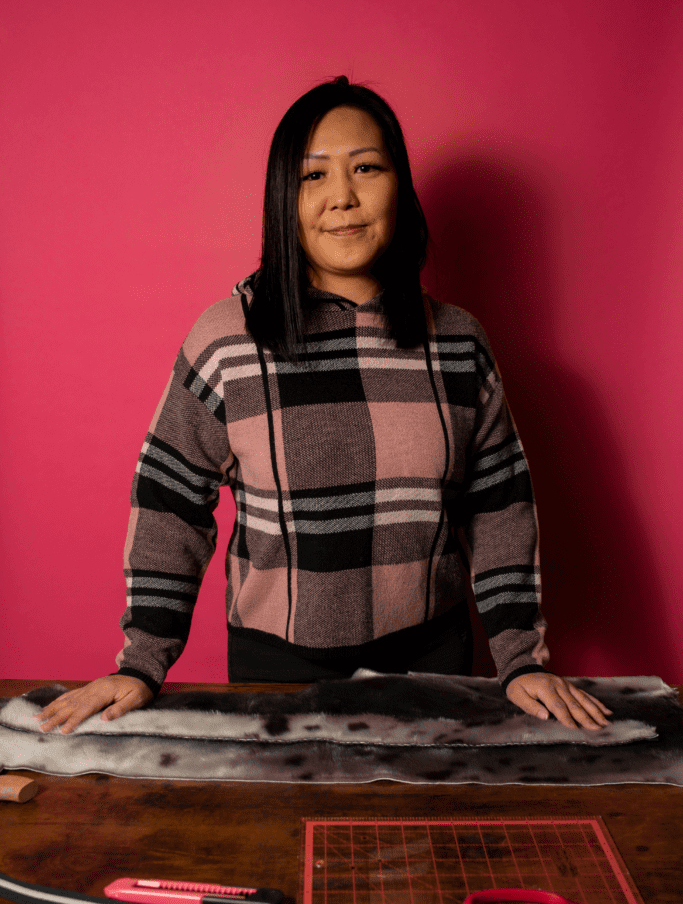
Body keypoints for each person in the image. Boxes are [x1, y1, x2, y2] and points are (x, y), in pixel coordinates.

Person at [37, 77, 611, 736]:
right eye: (313, 177)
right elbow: (169, 501)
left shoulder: (457, 341)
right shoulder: (228, 340)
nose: (342, 196)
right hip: (276, 668)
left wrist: (519, 661)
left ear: (401, 187)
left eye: (366, 167)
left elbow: (499, 506)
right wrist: (140, 664)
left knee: (424, 839)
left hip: (433, 662)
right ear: (284, 199)